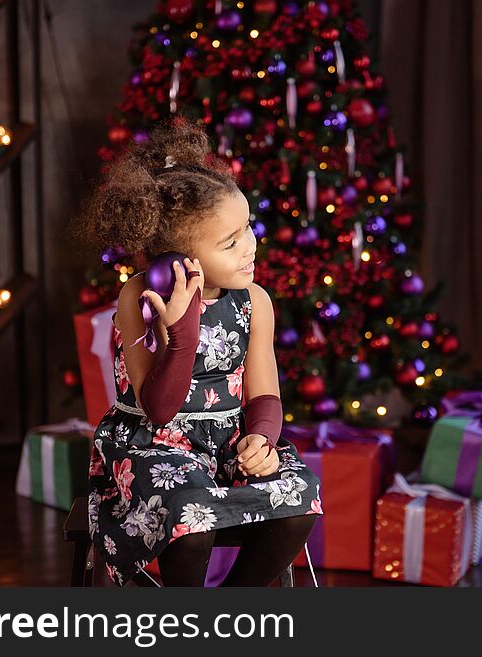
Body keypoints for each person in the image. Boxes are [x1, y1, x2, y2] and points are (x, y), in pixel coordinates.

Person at [71, 116, 323, 587]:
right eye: (230, 243)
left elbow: (264, 395)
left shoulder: (255, 302)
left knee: (299, 495)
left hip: (227, 438)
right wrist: (181, 330)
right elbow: (160, 408)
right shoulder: (140, 298)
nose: (250, 246)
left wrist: (263, 441)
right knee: (192, 515)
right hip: (153, 444)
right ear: (176, 261)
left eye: (247, 228)